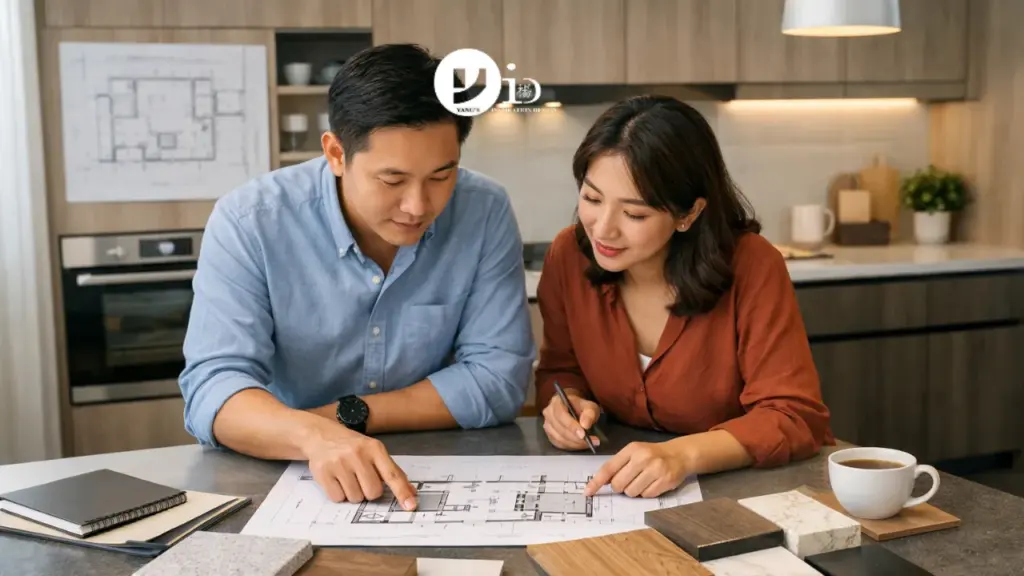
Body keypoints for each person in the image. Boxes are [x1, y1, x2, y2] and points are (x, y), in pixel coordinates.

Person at [179, 44, 535, 511]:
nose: (418, 206)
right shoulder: (251, 220)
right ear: (336, 153)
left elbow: (498, 378)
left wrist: (341, 420)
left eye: (441, 176)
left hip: (435, 476)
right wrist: (312, 437)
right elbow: (214, 387)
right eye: (392, 180)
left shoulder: (483, 210)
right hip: (285, 469)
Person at [534, 94, 834, 499]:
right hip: (627, 491)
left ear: (688, 214)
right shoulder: (567, 255)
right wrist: (565, 405)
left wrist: (683, 455)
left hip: (753, 491)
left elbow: (793, 416)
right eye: (591, 198)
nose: (602, 229)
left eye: (634, 214)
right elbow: (560, 369)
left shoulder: (752, 265)